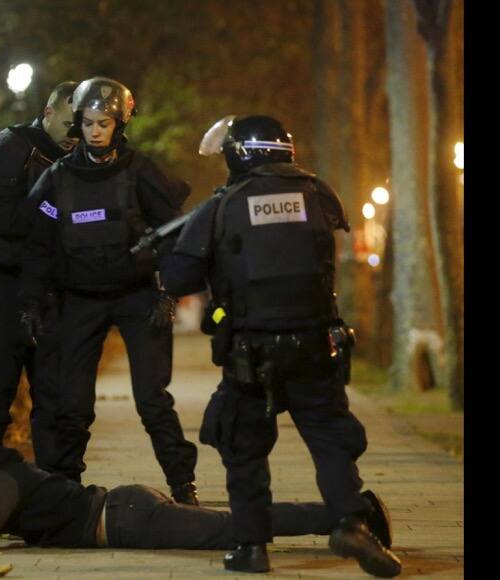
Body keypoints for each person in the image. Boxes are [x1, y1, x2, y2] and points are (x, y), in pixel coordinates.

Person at [159, 115, 401, 577]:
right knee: (331, 439)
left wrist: (172, 251)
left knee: (243, 445)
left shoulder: (223, 205)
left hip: (251, 353)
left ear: (237, 155)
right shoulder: (319, 193)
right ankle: (351, 522)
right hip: (316, 345)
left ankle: (251, 547)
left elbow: (178, 278)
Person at [19, 77, 198, 504]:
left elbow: (174, 235)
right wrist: (32, 302)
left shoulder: (141, 172)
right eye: (88, 123)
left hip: (137, 295)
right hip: (81, 299)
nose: (95, 131)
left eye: (104, 123)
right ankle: (65, 489)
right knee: (73, 403)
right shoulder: (58, 179)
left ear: (120, 124)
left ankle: (182, 484)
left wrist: (168, 292)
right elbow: (39, 243)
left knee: (152, 400)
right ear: (78, 124)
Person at [0, 446, 393, 555]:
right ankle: (347, 512)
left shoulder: (0, 481)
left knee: (238, 526)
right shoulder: (1, 478)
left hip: (127, 518)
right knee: (234, 524)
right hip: (127, 513)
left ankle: (353, 511)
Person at [0, 81, 78, 467]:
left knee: (55, 403)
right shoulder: (11, 148)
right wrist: (50, 214)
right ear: (48, 113)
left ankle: (59, 491)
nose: (75, 135)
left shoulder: (78, 158)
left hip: (51, 294)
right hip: (3, 288)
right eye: (68, 125)